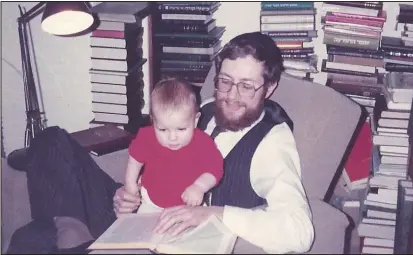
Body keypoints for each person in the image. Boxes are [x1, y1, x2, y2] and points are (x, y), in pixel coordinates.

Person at [7, 32, 314, 254]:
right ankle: (72, 233)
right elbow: (153, 152)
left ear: (269, 88)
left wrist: (214, 213)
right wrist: (127, 192)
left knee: (31, 237)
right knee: (52, 141)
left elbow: (299, 233)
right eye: (225, 81)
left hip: (169, 238)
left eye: (247, 86)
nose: (232, 95)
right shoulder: (203, 107)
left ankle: (69, 235)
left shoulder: (272, 141)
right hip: (141, 211)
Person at [125, 78, 223, 214]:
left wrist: (199, 187)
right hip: (151, 203)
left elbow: (215, 170)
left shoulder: (203, 143)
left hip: (190, 206)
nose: (172, 137)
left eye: (181, 129)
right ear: (153, 121)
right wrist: (130, 182)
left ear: (195, 120)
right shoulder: (147, 137)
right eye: (163, 129)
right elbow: (135, 159)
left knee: (198, 230)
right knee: (145, 230)